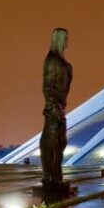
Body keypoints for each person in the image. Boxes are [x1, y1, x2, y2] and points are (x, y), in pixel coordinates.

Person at [41, 28, 72, 189]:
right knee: (51, 143)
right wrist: (53, 107)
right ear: (58, 39)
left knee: (61, 143)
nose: (67, 41)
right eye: (65, 38)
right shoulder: (52, 60)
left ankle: (56, 176)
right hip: (54, 109)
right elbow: (47, 87)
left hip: (60, 107)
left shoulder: (63, 62)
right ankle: (50, 177)